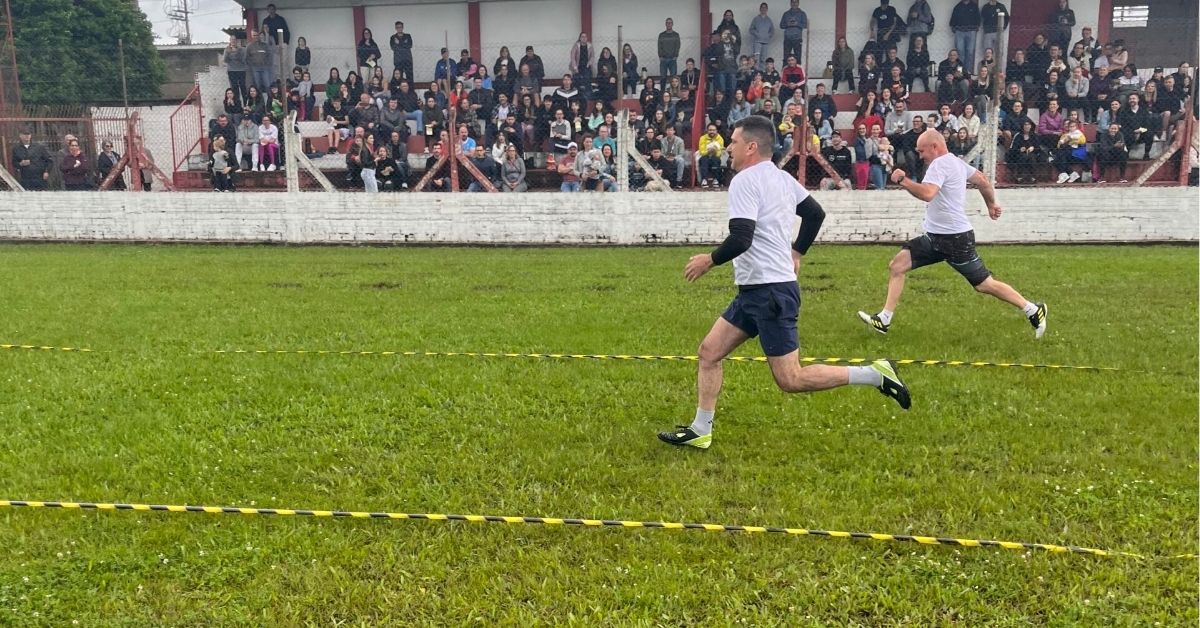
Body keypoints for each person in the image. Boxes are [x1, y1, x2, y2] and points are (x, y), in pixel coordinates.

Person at [657, 115, 910, 450]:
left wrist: (709, 261)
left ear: (750, 147)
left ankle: (875, 374)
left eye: (733, 141)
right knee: (708, 352)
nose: (728, 147)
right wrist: (797, 251)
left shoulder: (744, 181)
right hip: (757, 291)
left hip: (770, 293)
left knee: (791, 379)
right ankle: (701, 429)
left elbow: (741, 237)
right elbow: (815, 214)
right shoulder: (781, 178)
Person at [857, 129, 1047, 339]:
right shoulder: (956, 162)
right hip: (935, 238)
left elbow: (928, 194)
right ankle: (884, 319)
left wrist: (903, 180)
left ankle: (1032, 309)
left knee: (984, 284)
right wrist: (991, 204)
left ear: (934, 147)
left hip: (954, 240)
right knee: (897, 266)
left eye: (922, 151)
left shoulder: (938, 164)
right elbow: (983, 180)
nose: (920, 156)